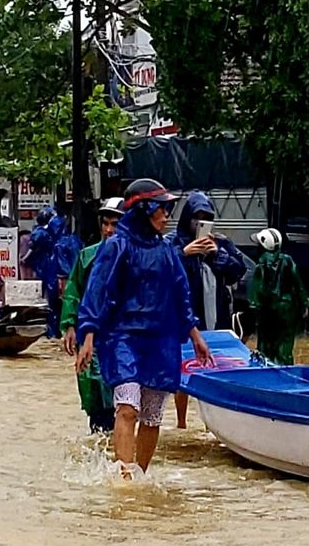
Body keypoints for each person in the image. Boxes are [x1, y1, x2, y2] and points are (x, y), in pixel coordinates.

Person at [76, 181, 213, 476]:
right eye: (161, 209)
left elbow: (181, 295)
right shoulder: (117, 246)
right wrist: (88, 335)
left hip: (160, 341)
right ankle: (124, 477)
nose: (166, 215)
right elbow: (97, 290)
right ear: (144, 210)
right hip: (122, 338)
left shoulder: (166, 250)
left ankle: (140, 475)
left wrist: (195, 336)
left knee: (151, 417)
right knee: (128, 408)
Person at [173, 191, 246, 427]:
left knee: (217, 368)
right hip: (185, 318)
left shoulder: (221, 243)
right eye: (196, 217)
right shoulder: (174, 243)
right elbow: (160, 270)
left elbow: (238, 270)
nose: (200, 223)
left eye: (206, 217)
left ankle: (212, 424)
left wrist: (218, 255)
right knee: (182, 368)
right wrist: (185, 254)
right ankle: (181, 422)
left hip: (217, 314)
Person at [61, 197, 123, 433]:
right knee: (94, 392)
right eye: (105, 223)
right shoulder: (87, 256)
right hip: (93, 337)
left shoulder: (136, 257)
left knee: (125, 397)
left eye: (114, 224)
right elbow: (73, 292)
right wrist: (69, 326)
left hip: (123, 337)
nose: (108, 230)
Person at [245, 228, 309, 365]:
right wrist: (305, 304)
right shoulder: (288, 260)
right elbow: (299, 285)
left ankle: (267, 376)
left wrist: (252, 314)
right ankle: (286, 376)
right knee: (285, 349)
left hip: (267, 313)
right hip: (288, 311)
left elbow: (255, 295)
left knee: (265, 348)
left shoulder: (261, 265)